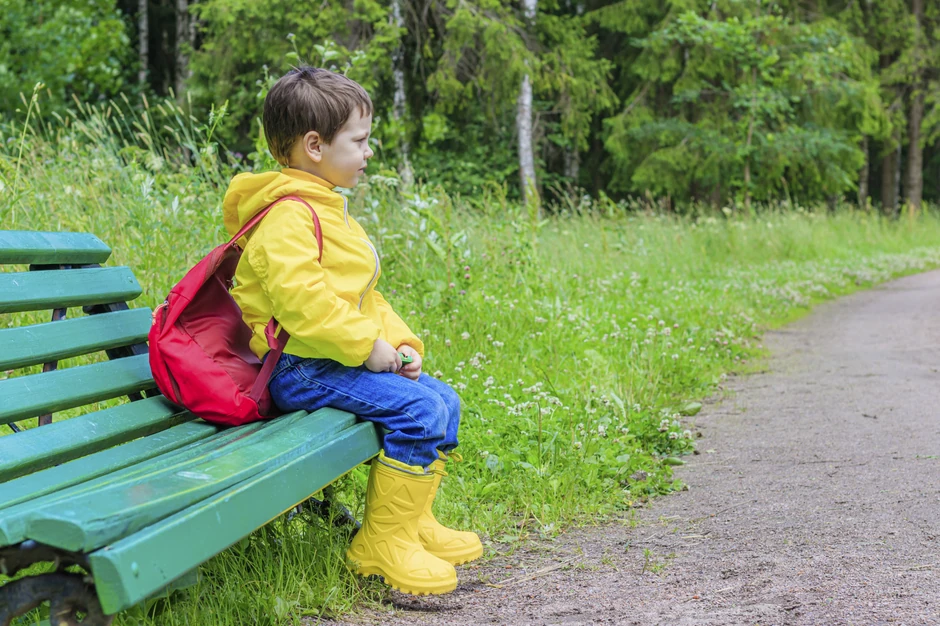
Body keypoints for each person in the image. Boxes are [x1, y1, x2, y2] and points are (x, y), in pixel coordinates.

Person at [221, 66, 481, 596]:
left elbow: (365, 297)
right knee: (419, 411)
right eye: (359, 141)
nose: (368, 152)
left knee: (444, 402)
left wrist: (399, 343)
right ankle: (380, 545)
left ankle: (411, 525)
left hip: (331, 359)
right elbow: (304, 307)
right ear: (315, 145)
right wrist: (366, 347)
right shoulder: (288, 218)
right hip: (300, 367)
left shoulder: (327, 209)